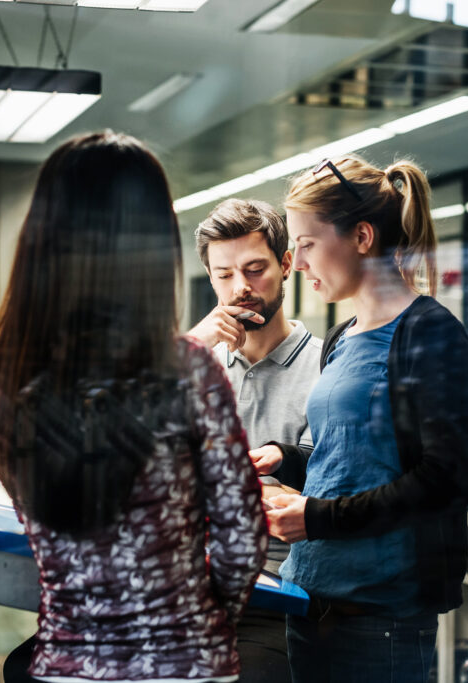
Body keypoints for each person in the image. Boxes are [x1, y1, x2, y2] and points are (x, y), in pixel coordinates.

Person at [0, 131, 267, 683]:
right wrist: (195, 623)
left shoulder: (2, 381)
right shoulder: (190, 372)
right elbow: (242, 538)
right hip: (187, 665)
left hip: (69, 663)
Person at [262, 156, 468, 683]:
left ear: (362, 236)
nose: (295, 262)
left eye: (307, 244)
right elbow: (355, 456)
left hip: (380, 618)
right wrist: (288, 460)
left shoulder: (428, 332)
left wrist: (318, 518)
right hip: (312, 601)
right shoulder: (343, 334)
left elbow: (447, 479)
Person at [187, 199, 322, 683]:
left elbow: (313, 496)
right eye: (224, 275)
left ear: (287, 265)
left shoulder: (328, 371)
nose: (239, 287)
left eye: (254, 269)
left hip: (270, 594)